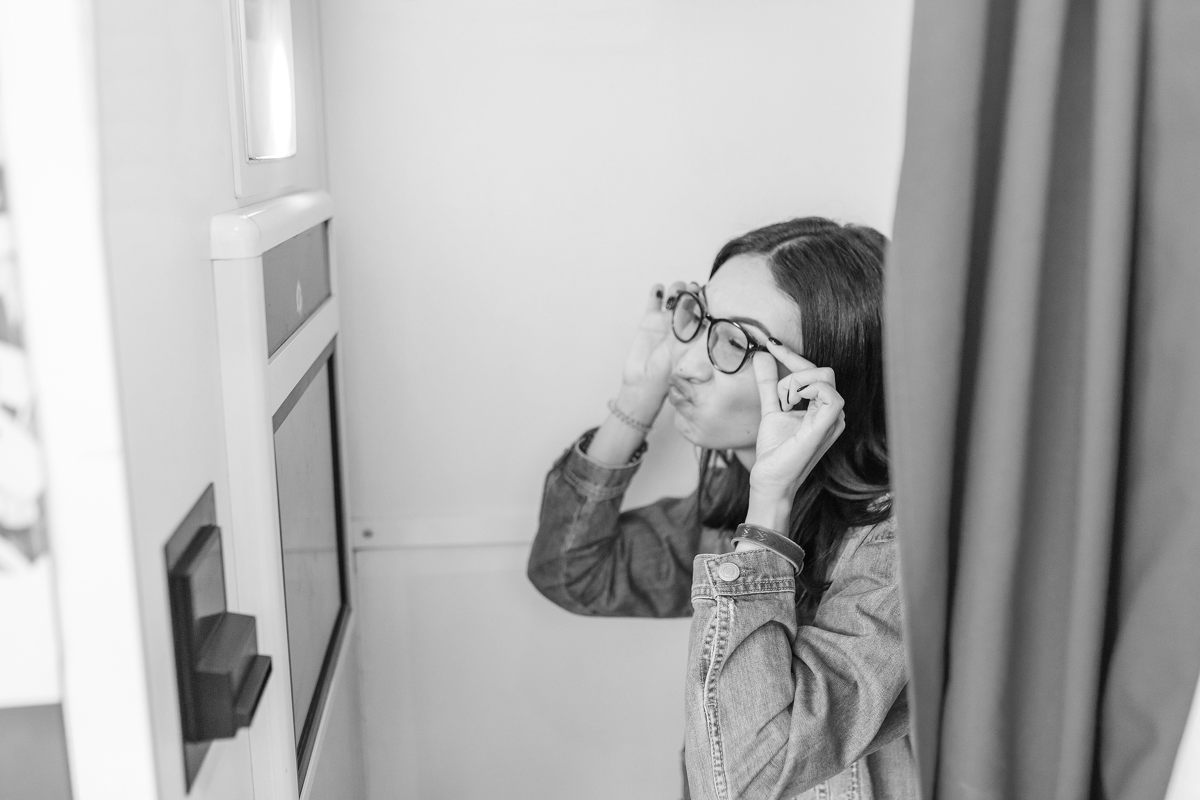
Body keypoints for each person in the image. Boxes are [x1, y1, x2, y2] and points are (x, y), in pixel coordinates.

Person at [527, 217, 914, 799]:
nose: (685, 363)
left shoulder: (892, 550)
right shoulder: (728, 506)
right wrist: (637, 398)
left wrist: (769, 515)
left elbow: (743, 782)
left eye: (736, 342)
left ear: (819, 383)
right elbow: (568, 571)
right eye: (700, 317)